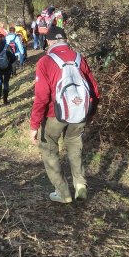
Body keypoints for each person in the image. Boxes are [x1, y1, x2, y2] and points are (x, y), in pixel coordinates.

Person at [29, 26, 100, 203]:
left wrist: (34, 124)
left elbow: (42, 97)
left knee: (49, 149)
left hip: (55, 115)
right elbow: (94, 90)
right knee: (75, 146)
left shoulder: (45, 62)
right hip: (79, 113)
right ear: (65, 40)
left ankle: (63, 192)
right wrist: (90, 113)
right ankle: (80, 184)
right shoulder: (78, 58)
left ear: (49, 42)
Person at [0, 33, 17, 104]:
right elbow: (13, 58)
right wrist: (9, 63)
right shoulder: (7, 47)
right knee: (6, 82)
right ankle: (5, 99)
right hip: (7, 68)